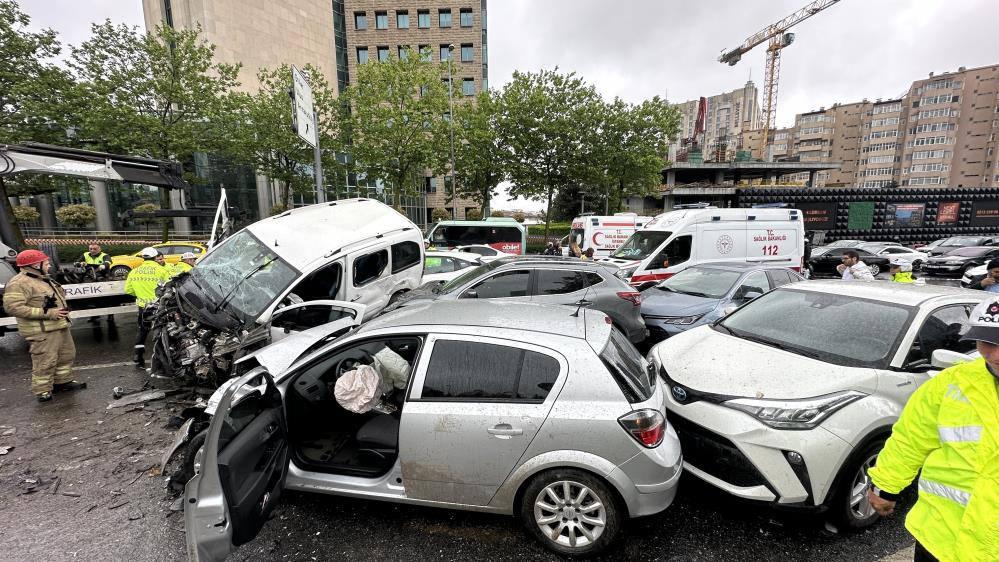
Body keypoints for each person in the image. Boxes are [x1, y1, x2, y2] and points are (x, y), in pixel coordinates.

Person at [866, 298, 999, 562]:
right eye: (988, 343)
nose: (995, 356)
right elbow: (911, 439)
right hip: (940, 537)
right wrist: (885, 488)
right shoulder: (952, 384)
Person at [2, 249, 86, 402]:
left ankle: (63, 382)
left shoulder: (41, 278)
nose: (48, 265)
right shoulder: (19, 283)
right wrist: (49, 313)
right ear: (34, 265)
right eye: (46, 263)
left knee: (66, 355)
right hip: (41, 330)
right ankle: (43, 390)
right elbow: (13, 308)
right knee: (45, 360)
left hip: (58, 325)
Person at [124, 247, 170, 367]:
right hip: (159, 306)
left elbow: (128, 290)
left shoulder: (134, 271)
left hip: (143, 307)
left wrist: (141, 295)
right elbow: (169, 287)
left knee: (142, 331)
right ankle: (162, 359)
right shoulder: (160, 270)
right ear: (155, 257)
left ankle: (137, 356)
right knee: (161, 330)